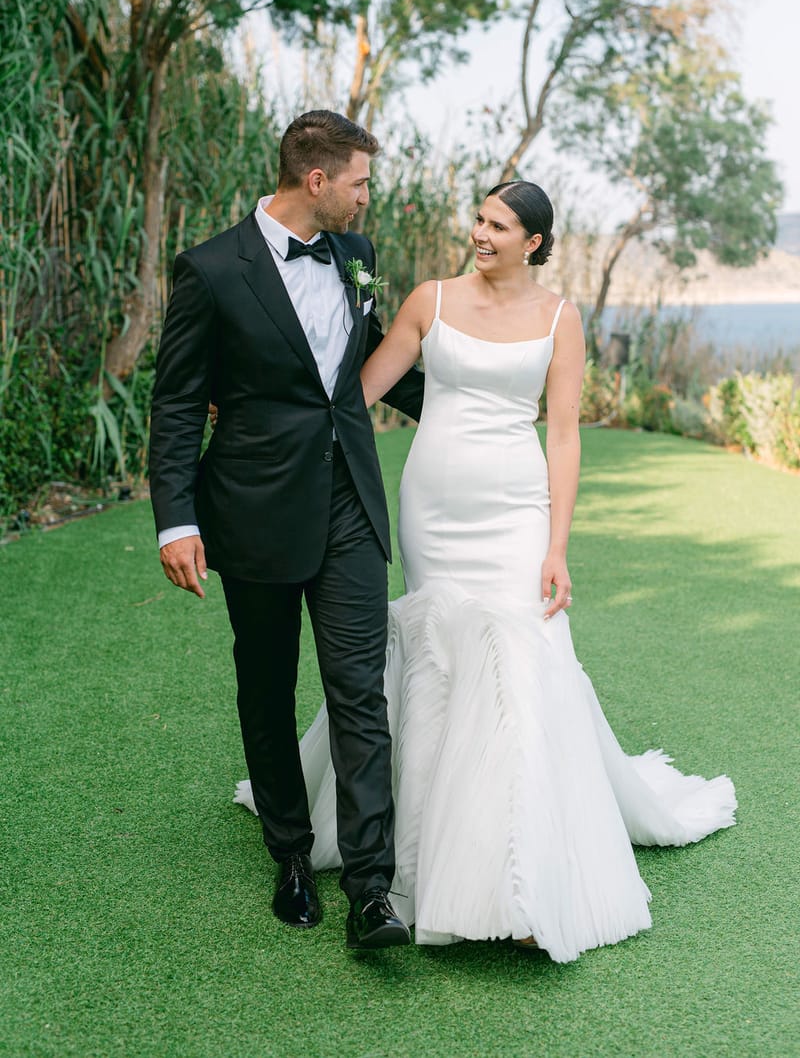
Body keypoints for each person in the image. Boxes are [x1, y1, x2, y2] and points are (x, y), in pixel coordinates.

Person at [236, 179, 737, 962]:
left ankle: (520, 878)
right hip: (433, 505)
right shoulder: (429, 301)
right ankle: (425, 851)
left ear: (533, 241)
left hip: (515, 510)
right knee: (441, 659)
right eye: (478, 218)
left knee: (519, 663)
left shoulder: (560, 320)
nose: (480, 233)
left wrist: (557, 545)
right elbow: (349, 394)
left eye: (498, 226)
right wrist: (251, 399)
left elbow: (563, 435)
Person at [149, 110, 424, 950]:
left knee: (358, 691)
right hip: (254, 508)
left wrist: (471, 405)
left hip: (348, 504)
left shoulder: (358, 257)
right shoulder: (210, 270)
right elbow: (175, 403)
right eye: (360, 182)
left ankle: (372, 890)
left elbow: (372, 360)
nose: (367, 197)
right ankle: (292, 856)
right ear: (317, 182)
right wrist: (176, 521)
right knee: (265, 686)